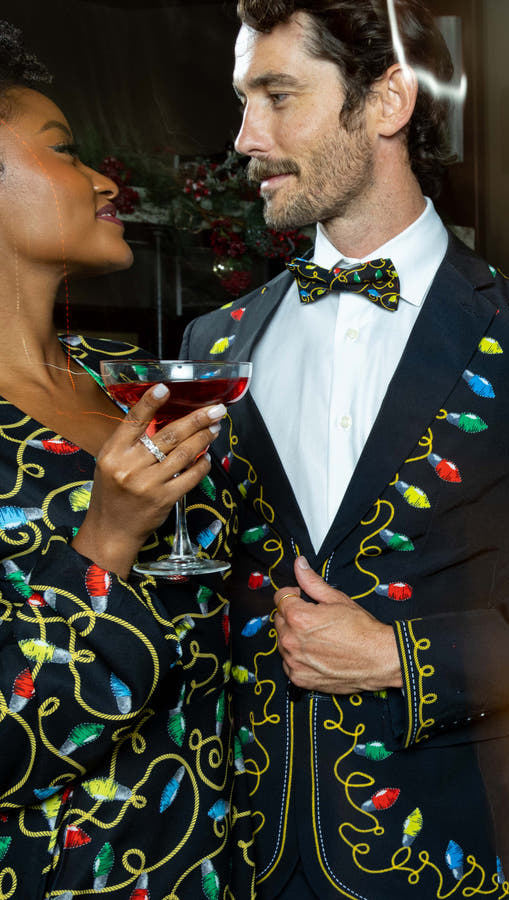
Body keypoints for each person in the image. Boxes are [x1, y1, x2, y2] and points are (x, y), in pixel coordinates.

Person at [181, 1, 509, 898]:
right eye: (242, 100)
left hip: (458, 852)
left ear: (388, 101)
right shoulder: (215, 343)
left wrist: (398, 656)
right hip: (246, 855)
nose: (245, 137)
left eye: (278, 95)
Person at [0, 20, 254, 899]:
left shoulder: (128, 392)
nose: (108, 180)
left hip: (216, 866)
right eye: (65, 151)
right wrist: (106, 542)